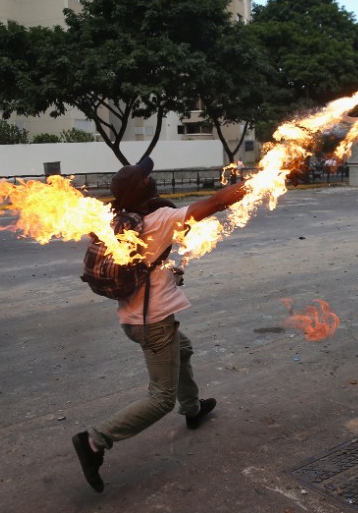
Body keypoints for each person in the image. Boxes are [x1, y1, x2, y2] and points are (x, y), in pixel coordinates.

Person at [71, 156, 247, 493]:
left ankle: (193, 409)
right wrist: (264, 179)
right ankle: (95, 440)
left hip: (134, 318)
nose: (153, 181)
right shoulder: (161, 220)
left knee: (183, 349)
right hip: (152, 323)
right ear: (146, 191)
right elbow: (216, 202)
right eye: (147, 179)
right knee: (161, 398)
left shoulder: (119, 220)